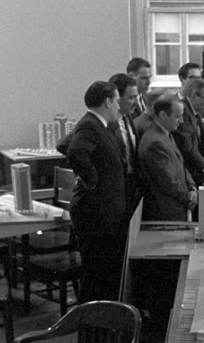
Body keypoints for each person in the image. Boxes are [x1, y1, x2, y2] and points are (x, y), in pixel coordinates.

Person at [66, 81, 128, 303]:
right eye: (117, 101)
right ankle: (89, 326)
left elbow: (65, 144)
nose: (118, 107)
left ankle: (100, 323)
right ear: (107, 101)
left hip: (105, 213)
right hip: (95, 213)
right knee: (95, 274)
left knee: (102, 273)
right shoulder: (90, 125)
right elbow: (74, 151)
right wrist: (91, 180)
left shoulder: (97, 125)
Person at [139, 95, 198, 221]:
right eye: (177, 116)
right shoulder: (155, 142)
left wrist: (192, 187)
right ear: (163, 115)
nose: (181, 121)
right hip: (166, 213)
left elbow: (181, 164)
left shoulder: (166, 134)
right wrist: (189, 197)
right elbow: (168, 181)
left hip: (176, 207)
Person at [109, 73, 142, 212]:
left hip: (131, 186)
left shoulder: (128, 117)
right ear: (117, 98)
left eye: (136, 97)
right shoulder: (104, 123)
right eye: (131, 97)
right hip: (114, 190)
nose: (135, 102)